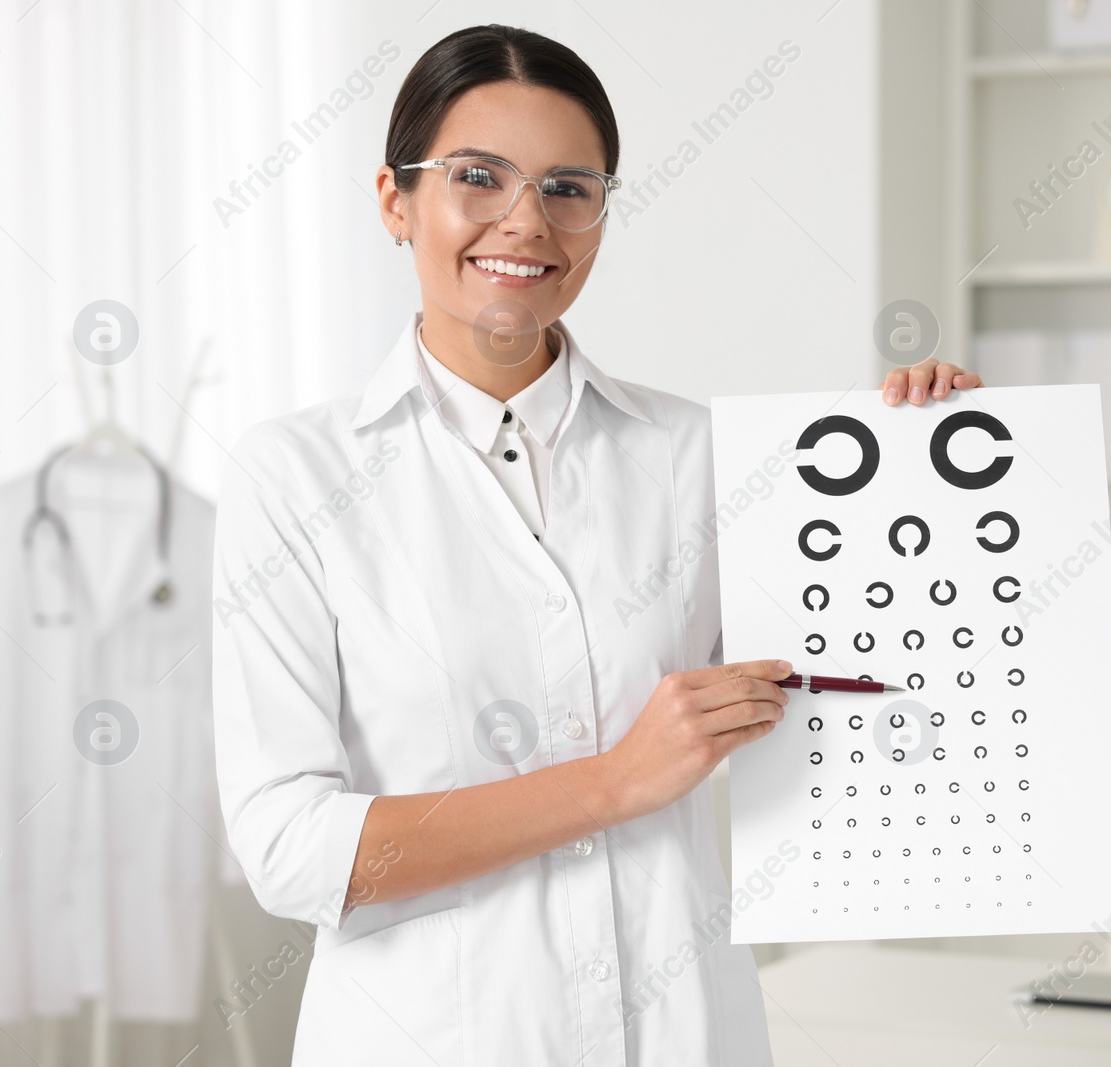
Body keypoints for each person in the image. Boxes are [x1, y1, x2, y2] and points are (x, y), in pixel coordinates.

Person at [210, 22, 984, 1066]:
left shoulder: (700, 453)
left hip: (679, 1031)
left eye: (569, 188)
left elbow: (867, 680)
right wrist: (615, 781)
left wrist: (928, 467)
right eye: (477, 177)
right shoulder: (294, 478)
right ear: (396, 200)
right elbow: (290, 850)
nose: (526, 223)